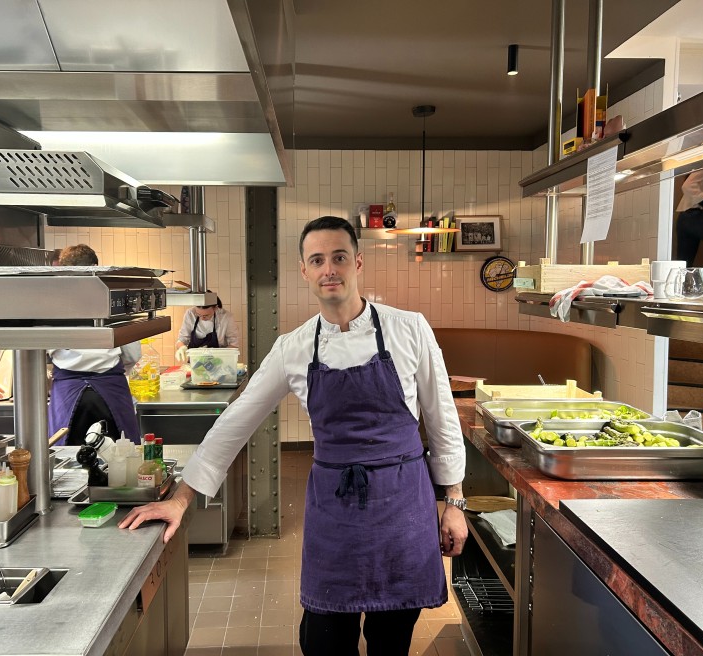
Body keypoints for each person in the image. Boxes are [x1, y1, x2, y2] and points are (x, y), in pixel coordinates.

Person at [121, 216, 468, 655]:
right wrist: (180, 498)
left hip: (404, 507)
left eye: (339, 257)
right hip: (335, 511)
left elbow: (442, 418)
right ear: (304, 270)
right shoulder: (295, 347)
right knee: (323, 639)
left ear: (358, 262)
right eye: (317, 260)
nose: (330, 269)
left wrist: (454, 502)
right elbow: (235, 421)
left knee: (392, 638)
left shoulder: (410, 328)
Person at [47, 244, 141, 445]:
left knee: (67, 456)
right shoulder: (114, 298)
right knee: (118, 454)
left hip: (67, 394)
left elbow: (41, 349)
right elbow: (132, 354)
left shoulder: (51, 302)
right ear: (96, 267)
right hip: (111, 389)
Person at [173, 292, 240, 363]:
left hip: (219, 362)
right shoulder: (190, 314)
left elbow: (234, 344)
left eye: (206, 315)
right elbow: (182, 339)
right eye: (199, 314)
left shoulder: (226, 317)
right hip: (195, 362)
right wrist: (182, 348)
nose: (202, 318)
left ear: (215, 308)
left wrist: (218, 357)